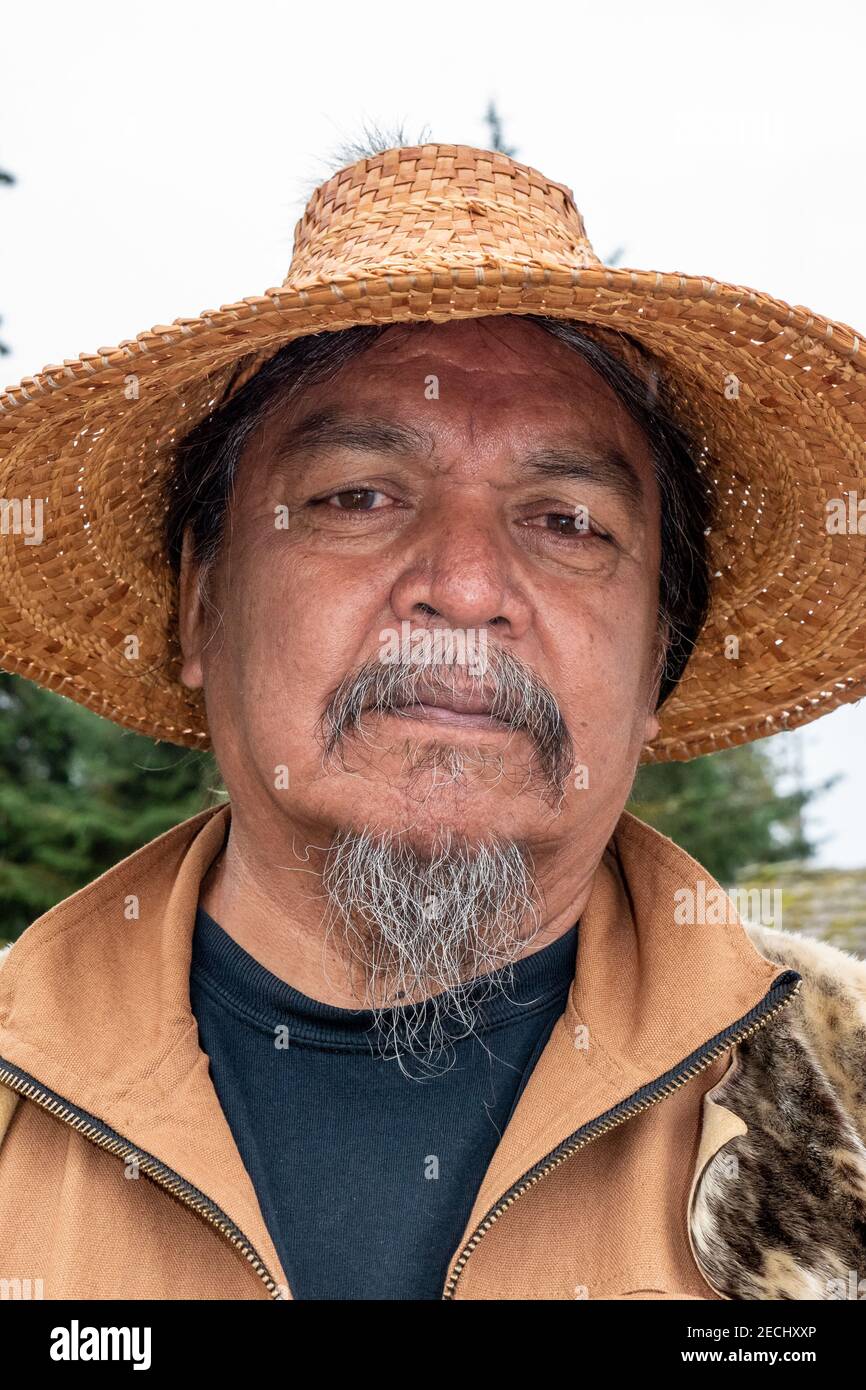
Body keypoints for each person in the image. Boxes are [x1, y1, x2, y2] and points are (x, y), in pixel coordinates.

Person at [1, 141, 865, 1301]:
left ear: (657, 653)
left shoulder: (840, 1091)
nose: (461, 588)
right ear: (201, 601)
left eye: (565, 520)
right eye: (356, 496)